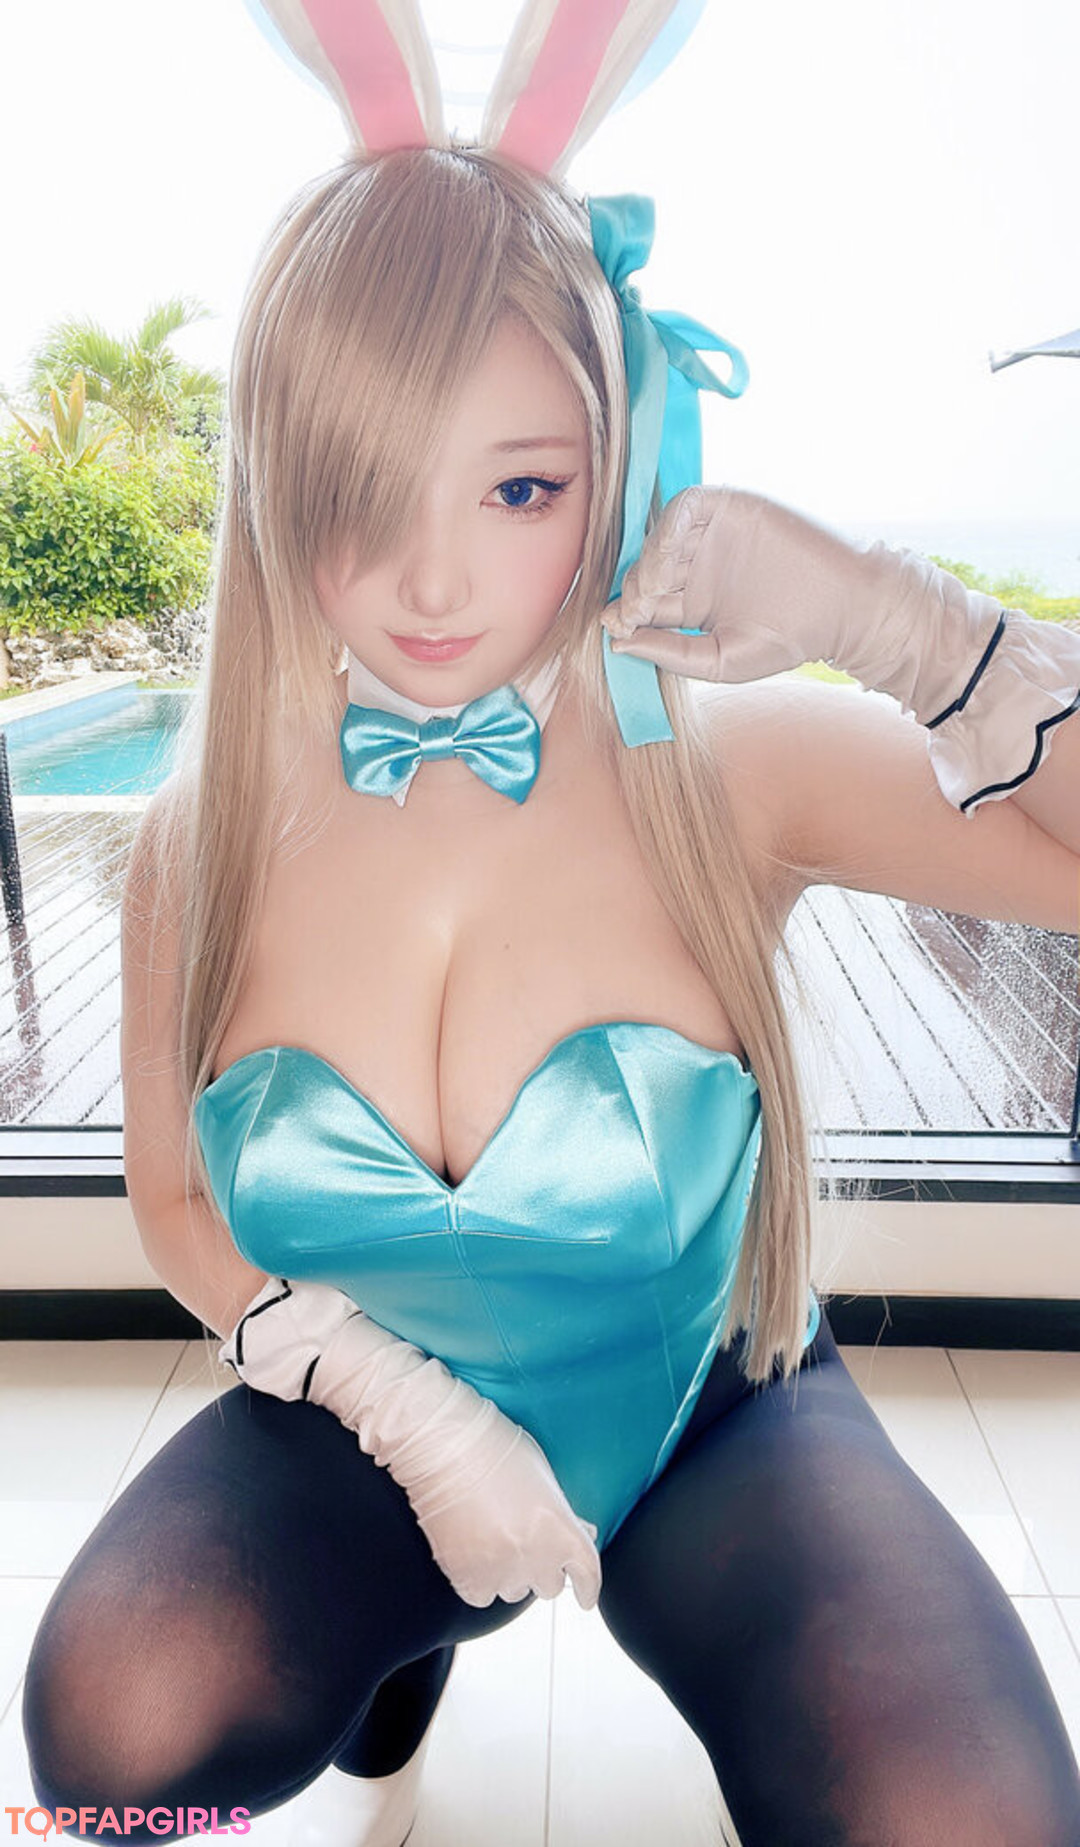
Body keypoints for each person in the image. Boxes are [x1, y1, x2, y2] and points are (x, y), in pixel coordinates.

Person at [21, 38, 1080, 1847]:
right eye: (364, 486)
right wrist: (400, 1412)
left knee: (965, 1817)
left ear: (624, 454)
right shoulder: (205, 837)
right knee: (115, 1726)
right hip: (366, 1440)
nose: (433, 584)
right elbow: (175, 1201)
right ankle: (400, 1648)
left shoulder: (732, 772)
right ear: (273, 480)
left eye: (517, 490)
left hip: (708, 1425)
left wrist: (896, 623)